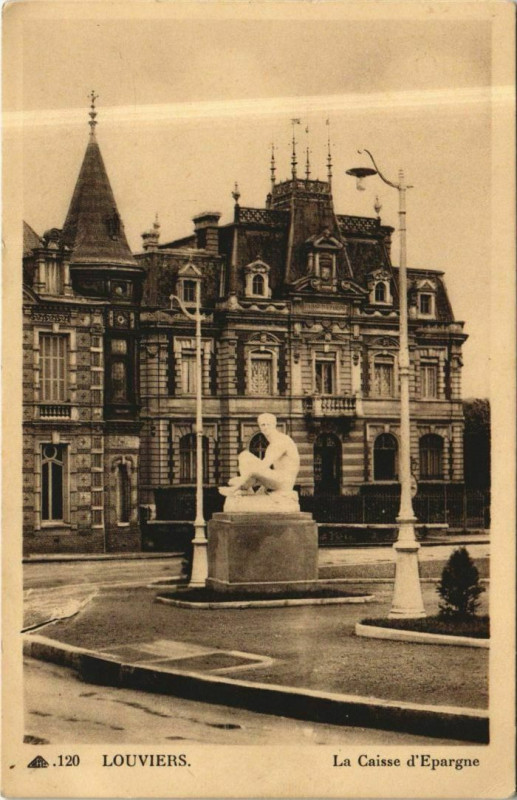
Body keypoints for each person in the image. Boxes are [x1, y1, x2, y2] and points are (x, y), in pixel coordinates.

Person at [219, 413, 300, 496]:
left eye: (269, 424)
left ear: (274, 425)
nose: (266, 427)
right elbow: (265, 471)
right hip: (278, 478)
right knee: (244, 455)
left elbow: (261, 468)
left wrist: (241, 480)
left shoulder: (280, 441)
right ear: (260, 427)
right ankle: (247, 489)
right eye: (263, 425)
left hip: (284, 482)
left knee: (248, 461)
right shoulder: (273, 443)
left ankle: (235, 489)